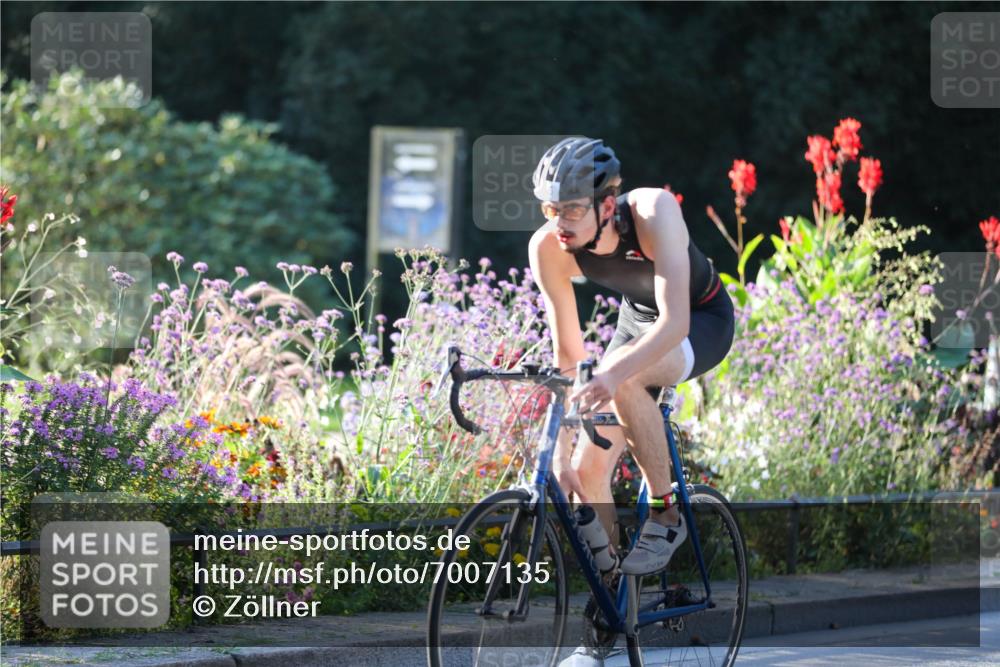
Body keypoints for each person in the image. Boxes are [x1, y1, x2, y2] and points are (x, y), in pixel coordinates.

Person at [528, 137, 735, 578]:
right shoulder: (548, 248)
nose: (559, 222)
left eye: (572, 209)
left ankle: (666, 516)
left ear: (606, 206)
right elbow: (569, 357)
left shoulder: (653, 211)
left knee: (623, 377)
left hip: (700, 319)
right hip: (636, 322)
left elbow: (675, 321)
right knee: (586, 470)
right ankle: (611, 608)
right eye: (550, 209)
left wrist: (614, 372)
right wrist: (560, 454)